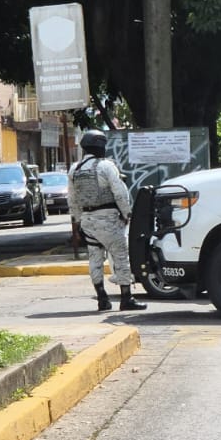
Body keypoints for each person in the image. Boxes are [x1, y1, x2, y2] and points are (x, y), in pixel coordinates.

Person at [69, 129, 146, 312]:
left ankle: (102, 298)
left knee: (95, 259)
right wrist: (127, 214)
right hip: (108, 219)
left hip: (88, 221)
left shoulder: (75, 169)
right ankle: (126, 298)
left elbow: (72, 200)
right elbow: (120, 193)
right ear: (100, 146)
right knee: (121, 257)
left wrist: (78, 222)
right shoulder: (106, 166)